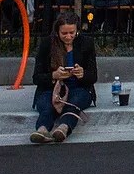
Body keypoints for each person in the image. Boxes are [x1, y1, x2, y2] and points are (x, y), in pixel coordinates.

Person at [30, 10, 98, 143]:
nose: (68, 36)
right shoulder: (47, 44)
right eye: (64, 33)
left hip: (79, 88)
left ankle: (64, 127)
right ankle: (42, 129)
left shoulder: (86, 43)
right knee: (46, 105)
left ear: (77, 30)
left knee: (74, 103)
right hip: (51, 88)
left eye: (72, 33)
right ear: (57, 32)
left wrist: (82, 74)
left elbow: (93, 76)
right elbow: (36, 77)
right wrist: (54, 75)